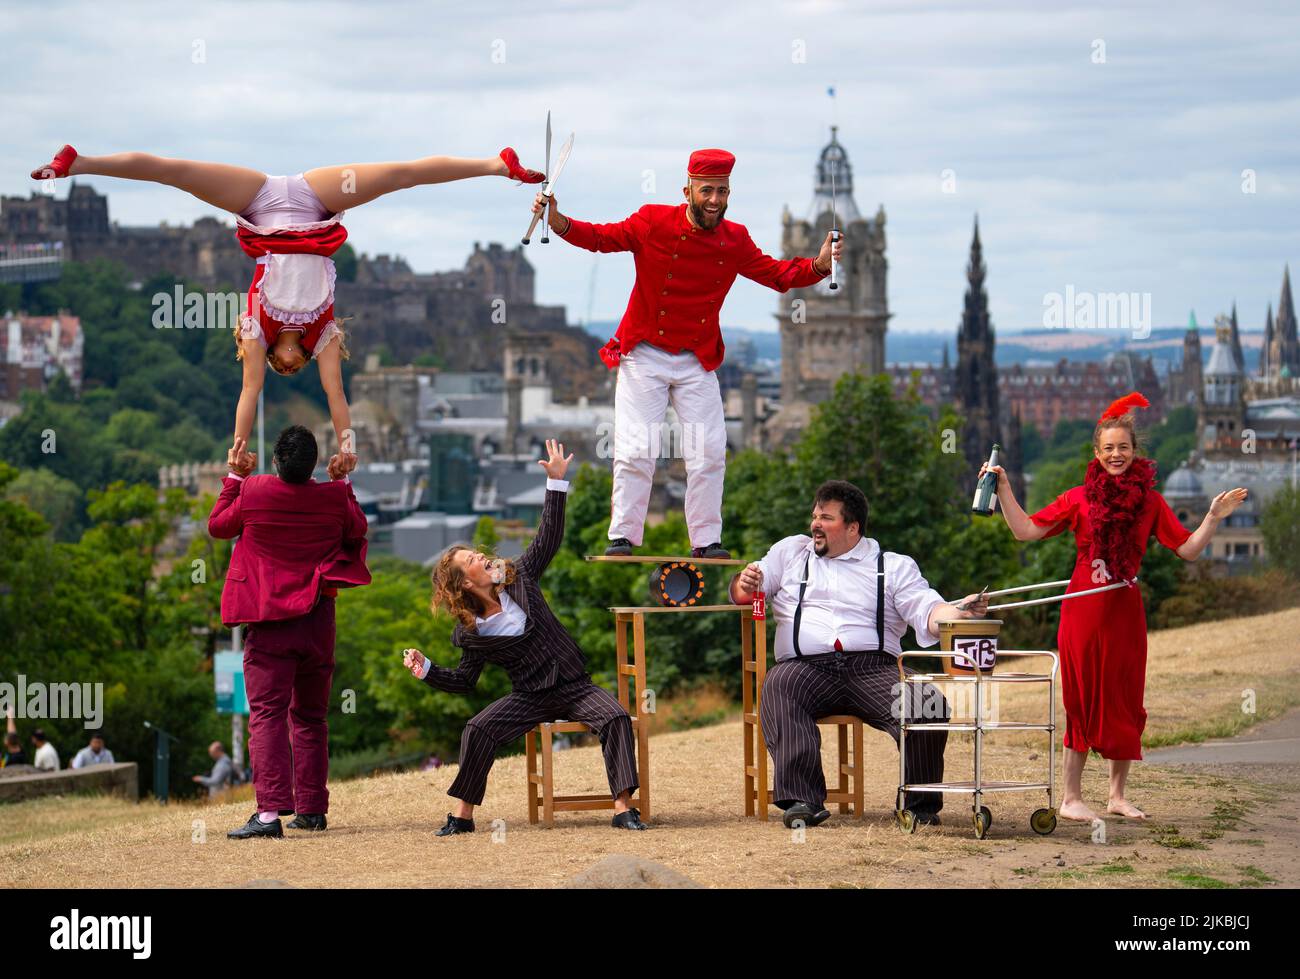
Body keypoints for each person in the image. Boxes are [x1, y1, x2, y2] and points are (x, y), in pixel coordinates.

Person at [32, 142, 545, 474]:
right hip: (312, 201)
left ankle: (78, 163)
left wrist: (236, 453)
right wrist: (347, 446)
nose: (290, 366)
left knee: (176, 172)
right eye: (293, 366)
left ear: (279, 359)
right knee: (398, 175)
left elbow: (249, 392)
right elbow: (335, 395)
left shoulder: (257, 331)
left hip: (258, 201)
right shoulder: (323, 335)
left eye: (285, 367)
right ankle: (497, 165)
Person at [533, 149, 841, 559]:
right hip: (644, 352)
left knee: (710, 450)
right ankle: (622, 536)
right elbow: (601, 239)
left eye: (722, 192)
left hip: (696, 357)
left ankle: (706, 540)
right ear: (688, 190)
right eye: (707, 191)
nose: (715, 200)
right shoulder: (652, 221)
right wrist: (558, 220)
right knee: (636, 446)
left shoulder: (735, 239)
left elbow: (776, 275)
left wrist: (818, 266)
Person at [980, 392, 1248, 821]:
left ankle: (1116, 796)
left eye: (1124, 447)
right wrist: (1006, 489)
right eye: (1109, 448)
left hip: (1125, 610)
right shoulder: (1078, 498)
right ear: (1097, 453)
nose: (1117, 455)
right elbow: (1026, 531)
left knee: (1124, 698)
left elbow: (1189, 550)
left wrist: (1213, 517)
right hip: (1083, 612)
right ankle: (1070, 799)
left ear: (1134, 451)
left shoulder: (1151, 503)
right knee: (1082, 700)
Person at [402, 439, 647, 835]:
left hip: (574, 686)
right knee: (478, 728)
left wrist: (555, 484)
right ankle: (461, 818)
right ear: (464, 583)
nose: (481, 556)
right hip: (529, 696)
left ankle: (623, 809)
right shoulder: (471, 633)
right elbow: (465, 681)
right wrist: (426, 669)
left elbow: (547, 539)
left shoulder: (517, 576)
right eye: (471, 561)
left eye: (475, 553)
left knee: (616, 717)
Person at [729, 480, 990, 828]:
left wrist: (958, 613)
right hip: (805, 669)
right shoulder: (790, 553)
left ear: (852, 527)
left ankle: (919, 806)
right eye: (814, 516)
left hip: (875, 669)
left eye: (826, 518)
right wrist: (743, 584)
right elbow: (747, 592)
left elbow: (927, 609)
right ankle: (803, 800)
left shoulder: (893, 566)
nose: (815, 525)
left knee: (928, 704)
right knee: (778, 685)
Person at [208, 425, 371, 838]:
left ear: (277, 462)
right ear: (316, 463)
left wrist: (236, 476)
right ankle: (312, 809)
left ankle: (268, 815)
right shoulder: (333, 499)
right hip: (319, 622)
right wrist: (343, 481)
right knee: (312, 717)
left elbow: (218, 526)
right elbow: (357, 530)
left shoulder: (257, 491)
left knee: (267, 715)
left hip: (270, 622)